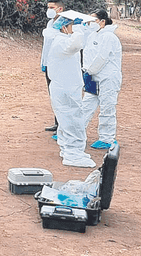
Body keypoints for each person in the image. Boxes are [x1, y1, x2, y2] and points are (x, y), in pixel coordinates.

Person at [45, 14, 96, 168]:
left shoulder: (63, 39)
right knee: (73, 121)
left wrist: (82, 28)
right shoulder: (61, 42)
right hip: (65, 88)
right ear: (64, 27)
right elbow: (76, 44)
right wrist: (79, 29)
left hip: (67, 87)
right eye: (73, 26)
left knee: (69, 121)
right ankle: (73, 154)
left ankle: (69, 149)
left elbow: (81, 41)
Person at [82, 9, 122, 150]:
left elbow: (102, 58)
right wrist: (87, 71)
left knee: (107, 107)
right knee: (86, 105)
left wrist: (90, 71)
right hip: (93, 77)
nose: (90, 23)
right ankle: (76, 132)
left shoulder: (109, 37)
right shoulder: (93, 35)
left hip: (107, 78)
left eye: (93, 20)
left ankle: (106, 138)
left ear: (102, 21)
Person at [40, 0, 65, 133]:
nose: (49, 10)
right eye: (48, 7)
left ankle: (63, 125)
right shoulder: (50, 23)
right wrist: (43, 62)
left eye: (51, 7)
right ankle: (57, 122)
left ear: (60, 8)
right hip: (49, 63)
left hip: (59, 65)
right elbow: (47, 46)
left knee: (61, 95)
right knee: (53, 95)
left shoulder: (65, 24)